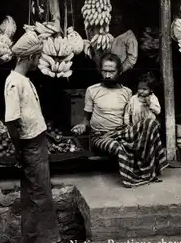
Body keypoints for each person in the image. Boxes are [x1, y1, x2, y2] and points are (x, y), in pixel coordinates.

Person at [71, 53, 169, 187]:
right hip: (100, 136)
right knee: (119, 148)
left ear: (120, 71)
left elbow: (132, 114)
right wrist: (82, 126)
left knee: (150, 123)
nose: (107, 75)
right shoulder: (92, 90)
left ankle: (149, 168)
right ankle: (133, 177)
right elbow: (86, 119)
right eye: (104, 71)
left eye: (111, 71)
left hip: (122, 132)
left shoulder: (127, 92)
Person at [4, 53, 63, 243]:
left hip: (36, 141)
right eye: (38, 57)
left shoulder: (23, 80)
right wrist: (18, 150)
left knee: (41, 192)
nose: (40, 61)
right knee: (35, 194)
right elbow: (11, 122)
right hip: (29, 144)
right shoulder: (13, 83)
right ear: (29, 57)